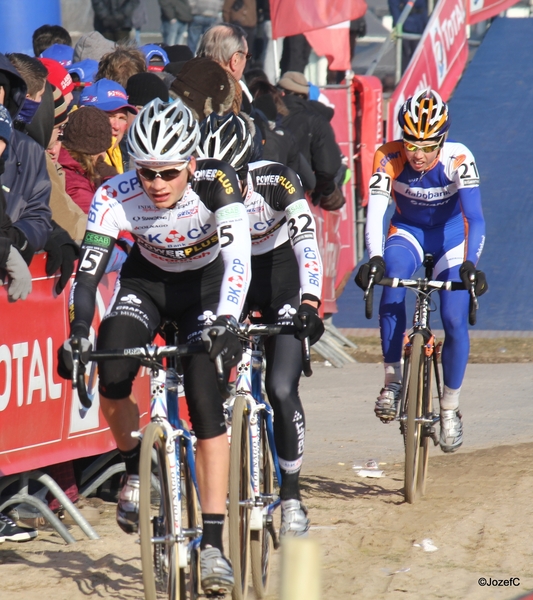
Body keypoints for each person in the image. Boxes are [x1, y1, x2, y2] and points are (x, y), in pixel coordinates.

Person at [58, 97, 252, 595]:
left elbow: (238, 265)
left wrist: (228, 321)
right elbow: (89, 271)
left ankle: (212, 544)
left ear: (191, 163)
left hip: (206, 291)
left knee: (207, 403)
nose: (157, 184)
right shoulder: (114, 193)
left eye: (168, 172)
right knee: (113, 369)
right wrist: (80, 327)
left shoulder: (218, 185)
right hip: (147, 286)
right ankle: (134, 471)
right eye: (146, 173)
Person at [198, 112, 324, 535]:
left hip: (280, 283)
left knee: (281, 388)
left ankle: (291, 495)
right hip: (227, 280)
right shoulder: (196, 186)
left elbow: (307, 243)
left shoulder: (277, 180)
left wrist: (310, 301)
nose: (223, 188)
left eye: (231, 177)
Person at [354, 89, 487, 453]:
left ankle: (449, 407)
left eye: (428, 146)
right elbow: (377, 211)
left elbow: (475, 218)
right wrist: (374, 257)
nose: (418, 154)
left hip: (450, 239)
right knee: (392, 277)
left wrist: (471, 265)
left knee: (454, 318)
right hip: (408, 233)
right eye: (412, 143)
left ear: (442, 140)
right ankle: (393, 380)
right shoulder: (388, 156)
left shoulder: (459, 158)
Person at [277, 71, 344, 211]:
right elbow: (328, 168)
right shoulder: (317, 120)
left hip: (267, 195)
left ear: (282, 93)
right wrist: (316, 190)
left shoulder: (268, 116)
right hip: (302, 197)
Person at [79, 78, 138, 174]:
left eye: (122, 118)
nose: (116, 126)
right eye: (109, 117)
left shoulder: (128, 152)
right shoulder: (72, 159)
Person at [388, 0, 428, 74]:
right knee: (405, 57)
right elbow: (394, 7)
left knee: (419, 57)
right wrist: (399, 25)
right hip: (405, 27)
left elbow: (424, 7)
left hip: (420, 27)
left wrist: (426, 24)